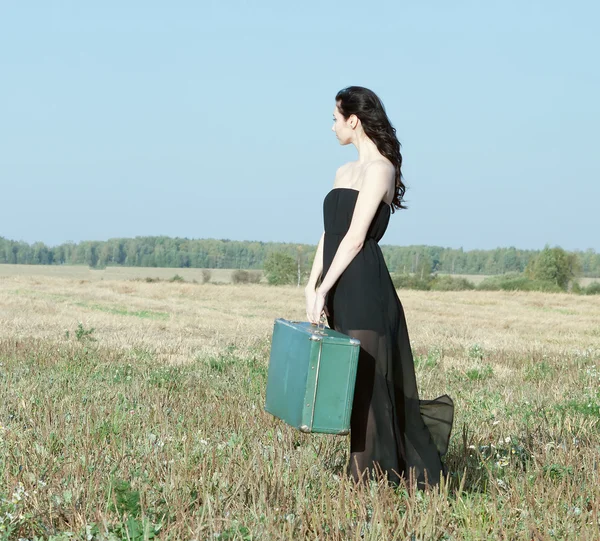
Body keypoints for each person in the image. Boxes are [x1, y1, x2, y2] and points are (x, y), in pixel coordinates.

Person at [304, 86, 454, 490]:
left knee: (368, 393)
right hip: (337, 286)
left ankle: (369, 485)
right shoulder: (342, 173)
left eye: (335, 118)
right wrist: (313, 283)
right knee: (353, 390)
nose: (333, 126)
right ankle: (371, 480)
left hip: (366, 289)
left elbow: (354, 238)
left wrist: (325, 288)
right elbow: (329, 233)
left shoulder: (381, 170)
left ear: (354, 119)